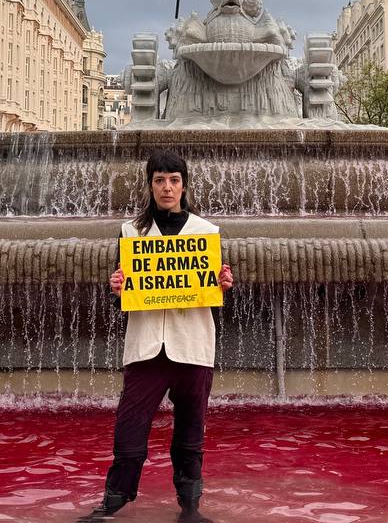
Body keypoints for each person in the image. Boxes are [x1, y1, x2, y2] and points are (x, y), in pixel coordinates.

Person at [82, 148, 234, 522]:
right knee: (129, 430)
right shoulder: (130, 233)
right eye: (159, 180)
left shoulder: (207, 233)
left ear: (184, 186)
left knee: (190, 432)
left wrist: (224, 285)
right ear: (150, 186)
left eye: (174, 180)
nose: (167, 187)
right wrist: (116, 287)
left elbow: (212, 296)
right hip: (146, 347)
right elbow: (126, 296)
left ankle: (190, 508)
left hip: (194, 347)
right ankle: (113, 502)